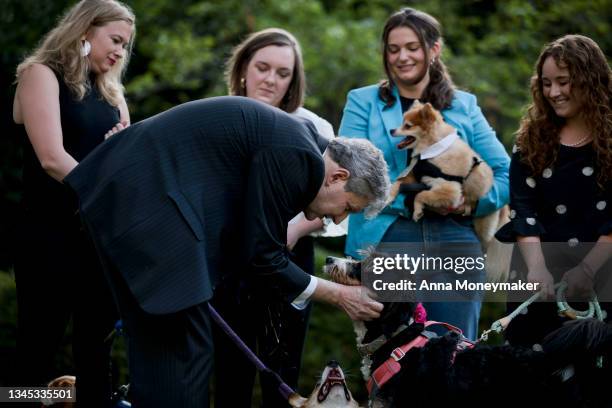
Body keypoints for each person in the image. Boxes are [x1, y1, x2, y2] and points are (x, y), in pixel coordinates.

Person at [63, 96, 389, 407]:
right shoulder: (298, 154)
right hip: (149, 205)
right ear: (338, 177)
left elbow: (251, 247)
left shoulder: (295, 143)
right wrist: (339, 295)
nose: (337, 219)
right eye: (347, 207)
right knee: (185, 356)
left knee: (160, 355)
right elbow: (264, 256)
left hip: (127, 198)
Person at [338, 7, 510, 340]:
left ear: (433, 50)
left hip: (455, 240)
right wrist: (414, 196)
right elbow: (350, 171)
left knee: (454, 351)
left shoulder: (464, 106)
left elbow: (505, 172)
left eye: (412, 47)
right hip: (388, 236)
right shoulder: (363, 102)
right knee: (387, 354)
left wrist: (471, 206)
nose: (402, 57)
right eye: (393, 49)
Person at [11, 1, 135, 406]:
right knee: (35, 348)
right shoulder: (39, 74)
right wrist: (103, 183)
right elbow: (50, 157)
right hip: (47, 234)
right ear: (85, 31)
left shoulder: (113, 93)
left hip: (98, 239)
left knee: (96, 355)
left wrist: (120, 155)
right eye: (115, 40)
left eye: (125, 46)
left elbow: (121, 170)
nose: (120, 52)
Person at [219, 28, 341, 407]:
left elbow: (335, 209)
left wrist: (291, 229)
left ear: (293, 80)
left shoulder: (313, 126)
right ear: (243, 68)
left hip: (289, 259)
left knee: (281, 376)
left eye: (283, 73)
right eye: (262, 67)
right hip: (229, 264)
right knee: (229, 375)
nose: (271, 79)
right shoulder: (218, 116)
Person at [496, 34, 612, 346]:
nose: (554, 92)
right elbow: (524, 209)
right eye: (547, 83)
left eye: (564, 81)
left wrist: (588, 270)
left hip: (604, 275)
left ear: (590, 79)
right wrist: (537, 268)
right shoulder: (531, 139)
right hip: (537, 277)